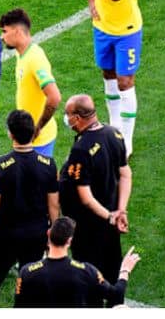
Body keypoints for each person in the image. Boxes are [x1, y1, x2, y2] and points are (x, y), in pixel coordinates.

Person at [0, 109, 60, 307]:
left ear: (10, 133)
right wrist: (53, 234)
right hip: (35, 235)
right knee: (29, 285)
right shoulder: (48, 165)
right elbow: (54, 205)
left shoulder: (1, 165)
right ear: (33, 133)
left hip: (4, 235)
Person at [59, 94, 133, 307]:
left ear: (78, 117)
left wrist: (111, 216)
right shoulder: (114, 133)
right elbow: (126, 173)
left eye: (68, 114)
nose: (66, 118)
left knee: (89, 279)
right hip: (110, 221)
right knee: (111, 272)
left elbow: (85, 196)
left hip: (88, 227)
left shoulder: (82, 149)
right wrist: (121, 211)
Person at [86, 0, 142, 158]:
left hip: (127, 30)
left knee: (125, 81)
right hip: (103, 29)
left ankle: (126, 140)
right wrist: (91, 0)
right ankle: (114, 126)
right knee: (108, 74)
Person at [15, 217, 141, 307]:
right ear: (69, 241)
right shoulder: (86, 271)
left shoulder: (27, 272)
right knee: (122, 310)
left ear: (48, 234)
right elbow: (116, 294)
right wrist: (125, 270)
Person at [0, 8, 62, 157]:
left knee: (39, 178)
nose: (2, 37)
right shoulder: (22, 55)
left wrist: (38, 127)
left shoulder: (35, 58)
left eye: (5, 31)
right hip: (27, 137)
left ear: (18, 32)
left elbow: (55, 97)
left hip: (39, 140)